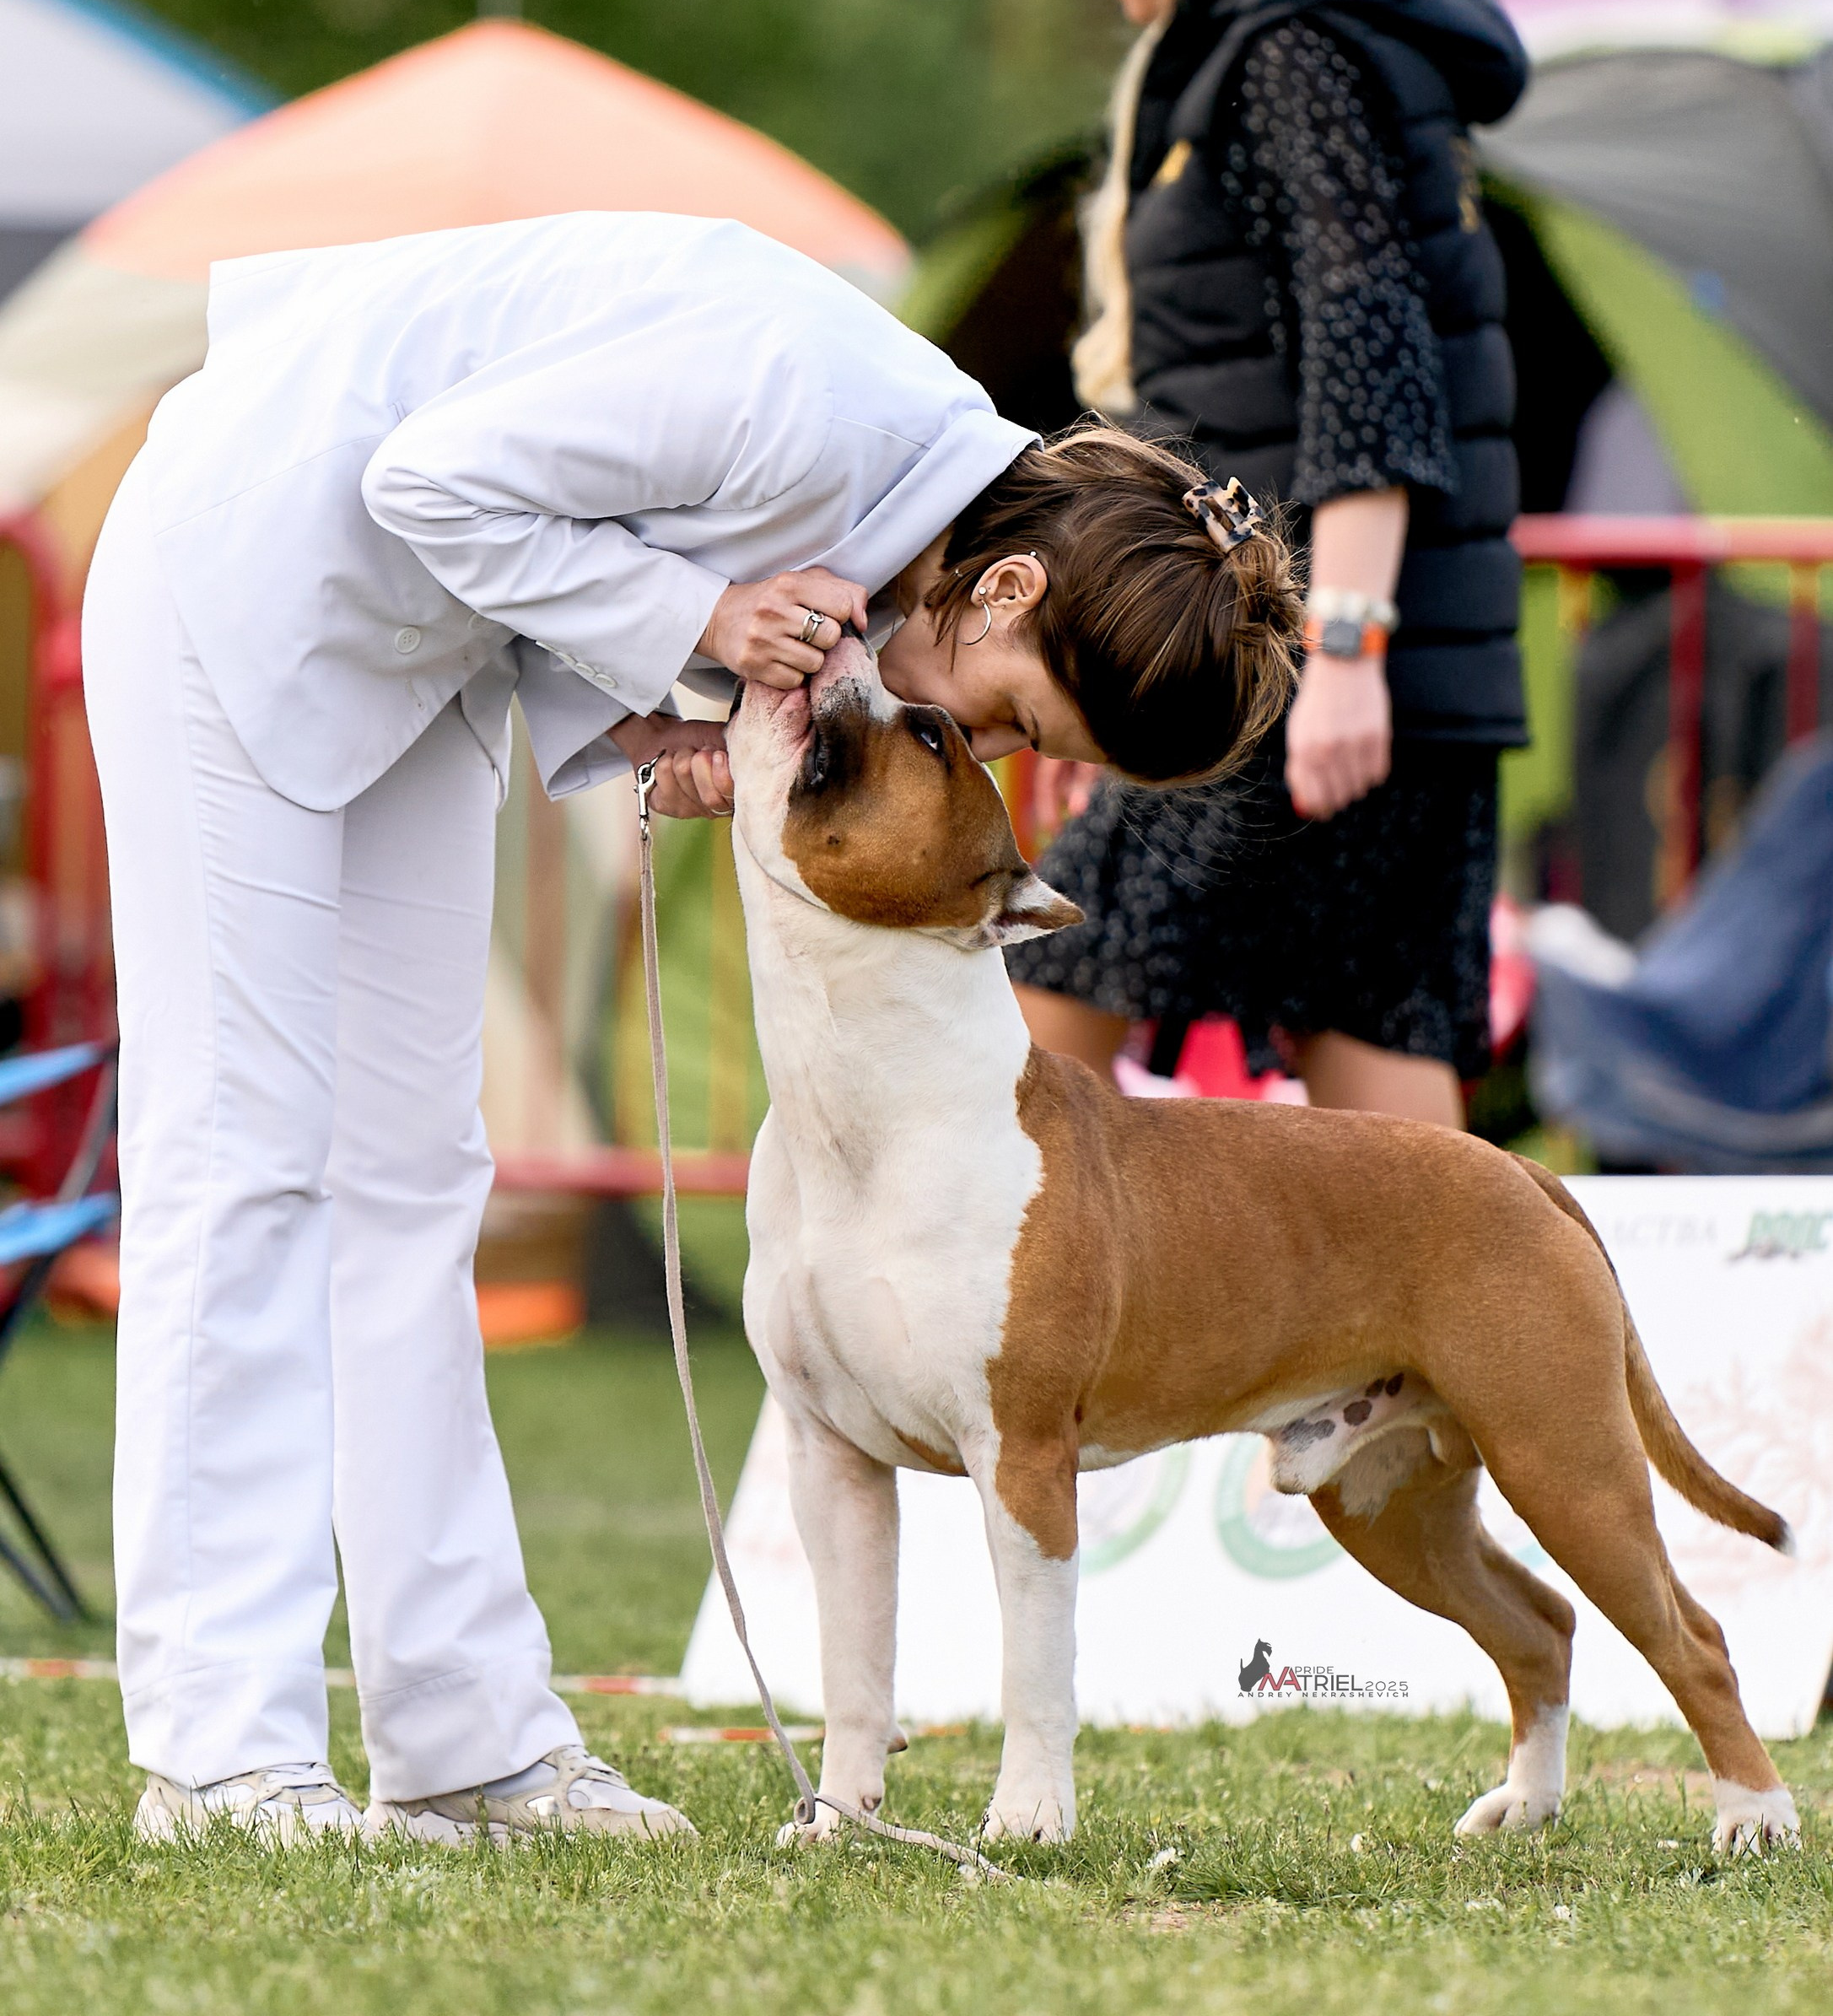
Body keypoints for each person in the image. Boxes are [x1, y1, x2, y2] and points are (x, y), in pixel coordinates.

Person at [84, 210, 1298, 1844]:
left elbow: (554, 526)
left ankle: (466, 1740)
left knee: (415, 1178)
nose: (987, 751)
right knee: (242, 1160)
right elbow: (425, 479)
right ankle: (218, 1751)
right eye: (1017, 714)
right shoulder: (803, 402)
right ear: (1008, 585)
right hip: (234, 577)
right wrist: (705, 625)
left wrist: (655, 707)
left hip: (414, 651)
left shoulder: (892, 496)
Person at [1018, 0, 1530, 1125]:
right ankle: (1455, 1276)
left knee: (1029, 1024)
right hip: (1333, 656)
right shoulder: (1293, 32)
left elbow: (1369, 350)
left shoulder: (1290, 44)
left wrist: (1345, 650)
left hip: (1294, 659)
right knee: (1370, 1030)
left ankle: (980, 1265)